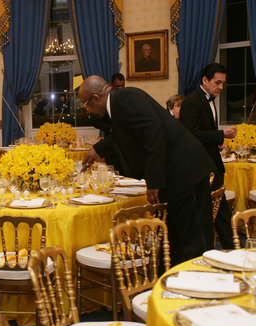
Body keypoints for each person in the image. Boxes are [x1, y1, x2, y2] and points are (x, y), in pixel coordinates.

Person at [80, 75, 215, 265]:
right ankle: (175, 284)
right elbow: (125, 134)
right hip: (178, 172)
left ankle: (202, 286)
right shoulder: (119, 102)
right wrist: (97, 149)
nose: (88, 109)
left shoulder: (126, 98)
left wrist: (154, 181)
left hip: (184, 171)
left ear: (95, 98)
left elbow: (153, 131)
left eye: (86, 104)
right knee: (176, 240)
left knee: (194, 242)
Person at [179, 63, 237, 249]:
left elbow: (204, 132)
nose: (220, 87)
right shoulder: (192, 101)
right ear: (205, 80)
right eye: (217, 82)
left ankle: (230, 249)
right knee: (216, 213)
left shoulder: (209, 99)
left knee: (220, 211)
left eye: (222, 83)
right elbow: (191, 134)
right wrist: (221, 134)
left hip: (211, 162)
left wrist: (217, 142)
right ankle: (230, 249)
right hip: (200, 167)